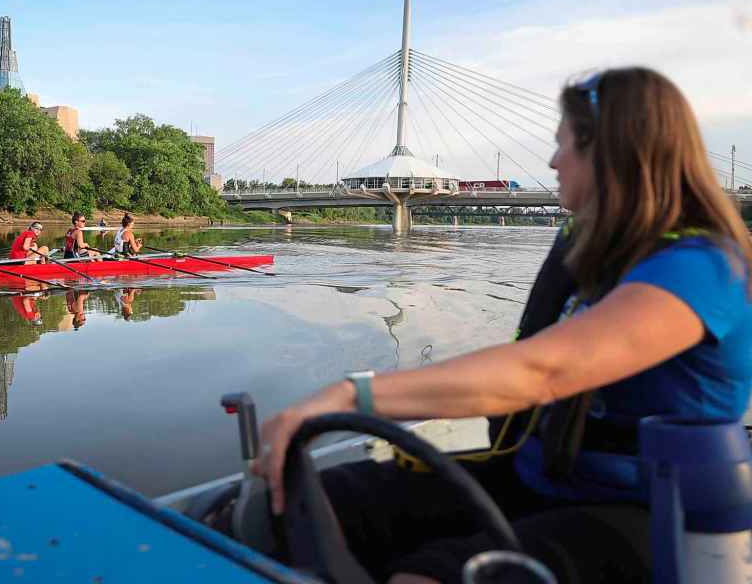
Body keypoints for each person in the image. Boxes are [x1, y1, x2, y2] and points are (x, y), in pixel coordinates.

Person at [253, 67, 752, 584]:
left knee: (427, 577)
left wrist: (348, 395)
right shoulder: (600, 253)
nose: (553, 162)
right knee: (312, 502)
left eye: (563, 144)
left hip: (644, 510)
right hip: (536, 477)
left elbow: (544, 371)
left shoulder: (703, 269)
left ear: (608, 152)